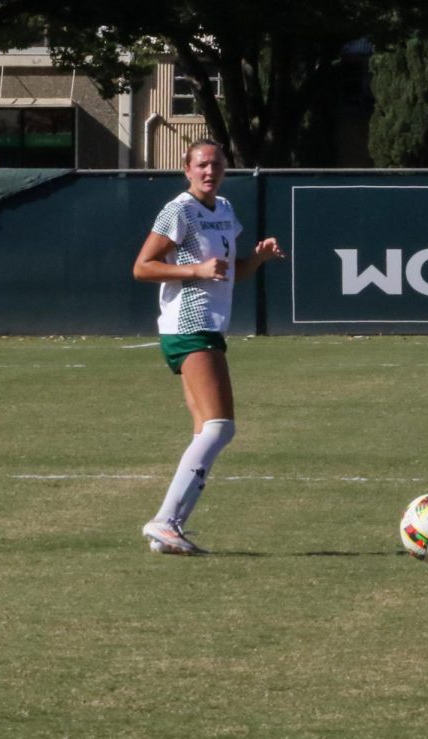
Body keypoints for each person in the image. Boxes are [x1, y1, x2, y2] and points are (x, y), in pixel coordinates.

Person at [132, 139, 284, 555]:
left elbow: (230, 273)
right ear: (187, 169)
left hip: (209, 327)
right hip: (188, 326)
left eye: (216, 164)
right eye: (201, 164)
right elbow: (142, 267)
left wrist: (257, 259)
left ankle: (171, 528)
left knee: (206, 430)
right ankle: (165, 521)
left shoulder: (226, 210)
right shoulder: (178, 210)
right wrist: (194, 268)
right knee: (220, 427)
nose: (209, 171)